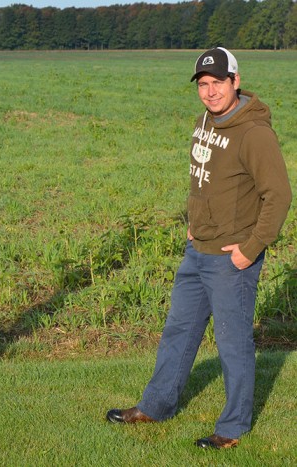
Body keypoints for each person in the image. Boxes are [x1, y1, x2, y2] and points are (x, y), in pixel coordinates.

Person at [106, 47, 292, 449]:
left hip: (231, 259)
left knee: (232, 342)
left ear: (235, 81)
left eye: (217, 83)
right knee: (179, 331)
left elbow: (278, 196)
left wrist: (251, 247)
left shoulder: (254, 133)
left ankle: (233, 427)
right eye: (203, 84)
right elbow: (203, 180)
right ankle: (156, 405)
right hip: (197, 252)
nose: (209, 92)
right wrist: (193, 222)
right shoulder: (205, 120)